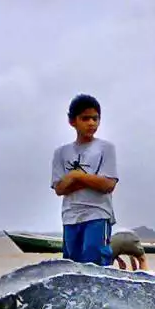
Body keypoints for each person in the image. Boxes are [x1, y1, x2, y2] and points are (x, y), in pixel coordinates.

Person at [50, 94, 119, 267]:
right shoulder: (61, 153)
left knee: (95, 265)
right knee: (71, 267)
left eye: (95, 119)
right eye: (85, 118)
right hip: (70, 216)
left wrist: (76, 176)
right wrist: (92, 180)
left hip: (97, 214)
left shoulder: (105, 148)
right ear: (72, 121)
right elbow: (59, 188)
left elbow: (108, 184)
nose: (91, 123)